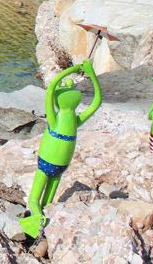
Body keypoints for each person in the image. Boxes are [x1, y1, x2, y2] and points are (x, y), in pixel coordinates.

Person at [20, 59, 102, 238]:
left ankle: (36, 224)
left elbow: (50, 90)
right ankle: (46, 218)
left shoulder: (55, 119)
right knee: (48, 198)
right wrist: (90, 73)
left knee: (34, 198)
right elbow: (97, 101)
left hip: (46, 160)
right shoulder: (75, 121)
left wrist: (72, 70)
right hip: (62, 163)